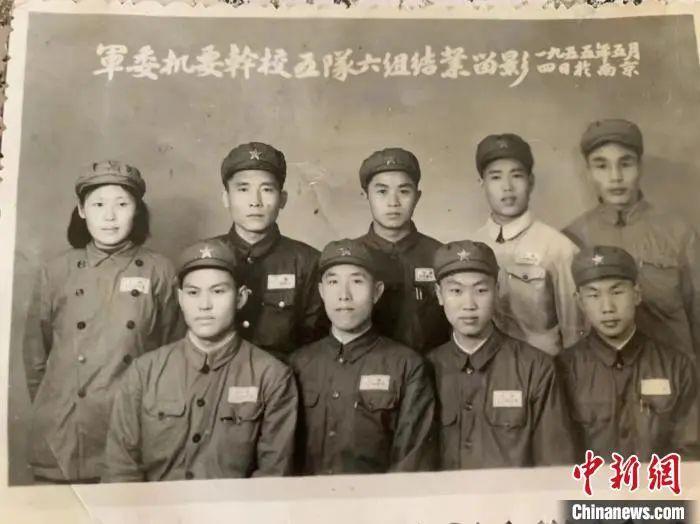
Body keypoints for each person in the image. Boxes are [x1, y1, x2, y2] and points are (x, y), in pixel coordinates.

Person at [23, 160, 183, 483]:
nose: (109, 216)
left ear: (137, 211)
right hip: (66, 433)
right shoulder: (56, 271)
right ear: (82, 210)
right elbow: (36, 358)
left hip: (131, 427)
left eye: (121, 204)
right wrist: (56, 408)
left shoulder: (160, 271)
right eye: (98, 205)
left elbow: (174, 353)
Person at [103, 240, 298, 482]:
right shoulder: (144, 372)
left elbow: (273, 476)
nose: (205, 305)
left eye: (218, 291)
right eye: (193, 293)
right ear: (180, 298)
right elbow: (121, 471)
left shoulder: (272, 377)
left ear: (240, 298)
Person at [290, 238, 435, 475]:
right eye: (333, 282)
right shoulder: (297, 365)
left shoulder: (407, 366)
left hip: (378, 497)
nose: (344, 295)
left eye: (357, 281)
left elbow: (411, 461)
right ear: (321, 291)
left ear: (377, 291)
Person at [428, 240, 576, 469]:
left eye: (481, 290)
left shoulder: (535, 367)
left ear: (497, 291)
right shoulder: (425, 368)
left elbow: (554, 463)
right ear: (439, 294)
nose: (469, 304)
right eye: (456, 291)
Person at [564, 119, 700, 364]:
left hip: (674, 374)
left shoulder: (679, 233)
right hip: (602, 375)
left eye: (625, 163)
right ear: (588, 172)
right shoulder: (572, 238)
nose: (615, 177)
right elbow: (572, 326)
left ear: (640, 166)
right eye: (601, 166)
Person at [558, 245, 698, 460]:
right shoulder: (563, 369)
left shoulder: (677, 366)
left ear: (637, 294)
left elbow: (690, 451)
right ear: (579, 302)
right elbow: (558, 455)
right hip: (591, 482)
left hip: (657, 481)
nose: (607, 307)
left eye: (617, 292)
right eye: (593, 295)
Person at [211, 142, 327, 362]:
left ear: (282, 199)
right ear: (226, 198)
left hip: (285, 378)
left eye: (266, 189)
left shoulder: (308, 262)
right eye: (243, 189)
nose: (255, 202)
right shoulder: (205, 258)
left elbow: (316, 347)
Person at [471, 133, 583, 356]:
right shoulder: (472, 246)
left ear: (530, 182)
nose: (507, 187)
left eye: (517, 175)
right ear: (482, 184)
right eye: (496, 177)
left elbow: (576, 334)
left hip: (545, 368)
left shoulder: (559, 248)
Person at [355, 147, 450, 354]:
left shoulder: (441, 256)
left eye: (404, 191)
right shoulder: (350, 258)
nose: (393, 203)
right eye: (382, 191)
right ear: (365, 196)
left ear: (417, 196)